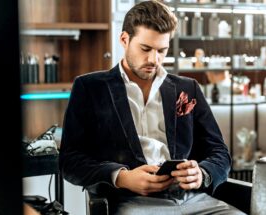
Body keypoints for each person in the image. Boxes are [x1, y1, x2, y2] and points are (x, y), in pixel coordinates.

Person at [59, 1, 245, 214]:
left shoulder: (188, 88)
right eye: (145, 49)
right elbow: (70, 160)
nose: (153, 60)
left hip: (196, 199)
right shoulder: (90, 88)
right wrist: (121, 177)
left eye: (162, 51)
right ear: (124, 40)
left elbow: (220, 152)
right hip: (133, 201)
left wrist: (202, 173)